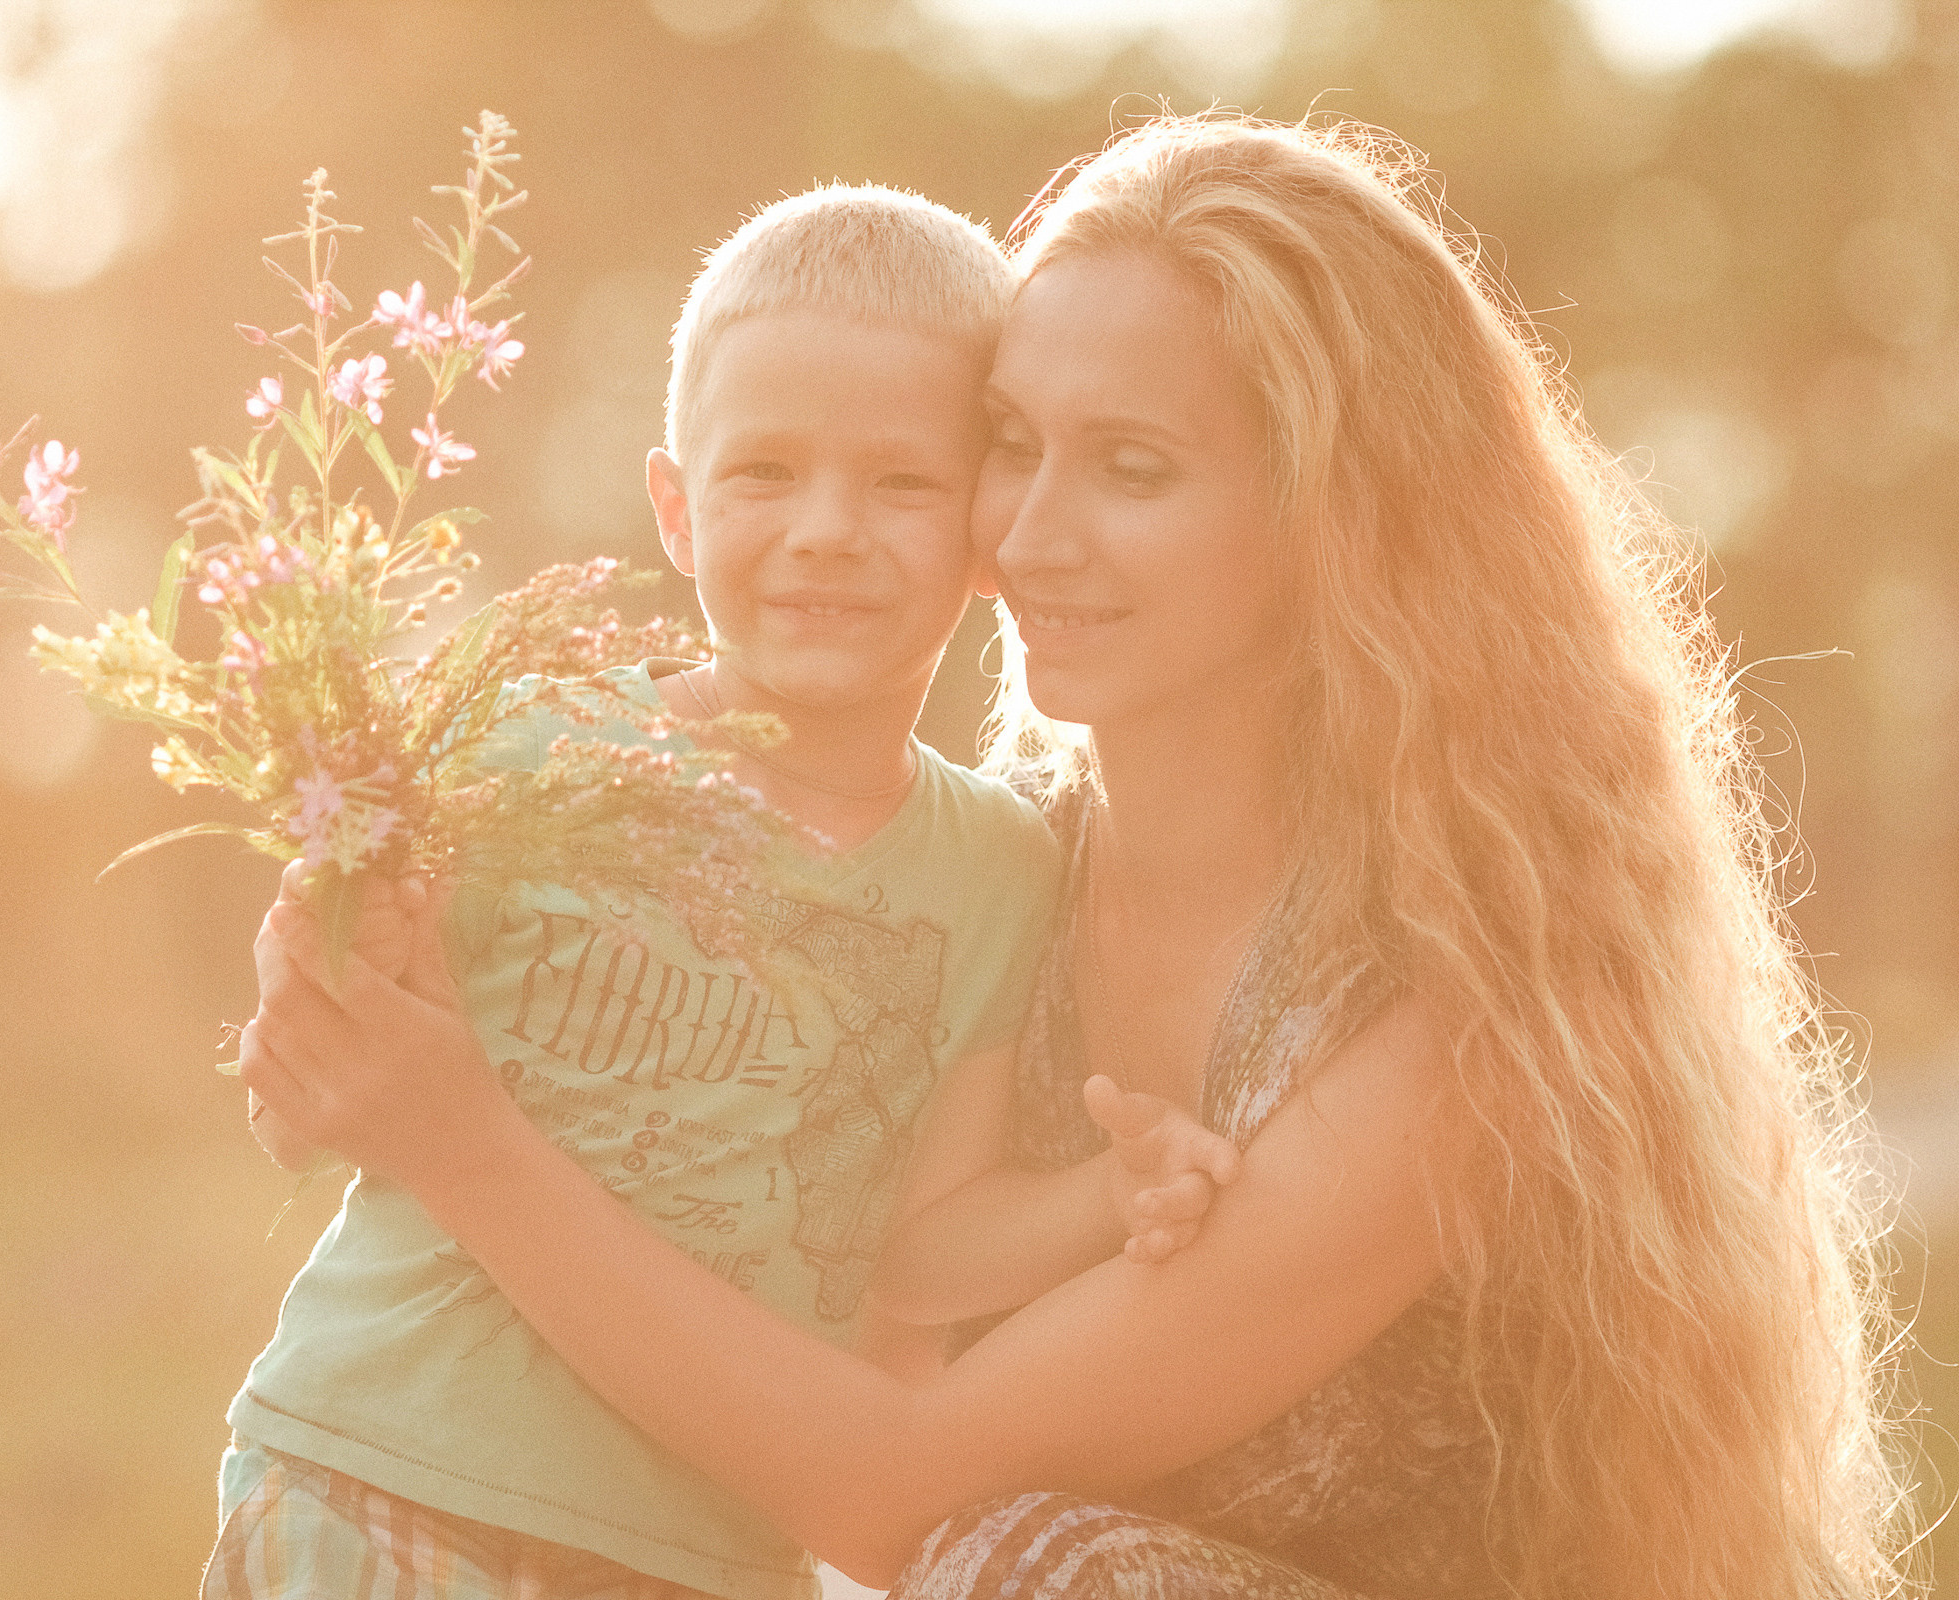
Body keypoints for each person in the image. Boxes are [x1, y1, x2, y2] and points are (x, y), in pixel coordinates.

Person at [238, 116, 1910, 1600]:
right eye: (1014, 447)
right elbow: (842, 1315)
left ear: (1336, 521)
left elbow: (897, 1493)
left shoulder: (1466, 1026)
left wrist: (459, 1151)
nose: (1026, 536)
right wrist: (359, 971)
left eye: (1134, 468)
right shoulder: (979, 888)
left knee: (1017, 1563)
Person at [207, 183, 1234, 1600]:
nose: (826, 529)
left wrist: (1103, 1198)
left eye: (902, 483)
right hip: (380, 1487)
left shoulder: (999, 871)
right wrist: (348, 952)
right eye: (765, 476)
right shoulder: (523, 759)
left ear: (987, 537)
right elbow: (293, 1114)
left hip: (708, 1552)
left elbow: (912, 1255)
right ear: (678, 512)